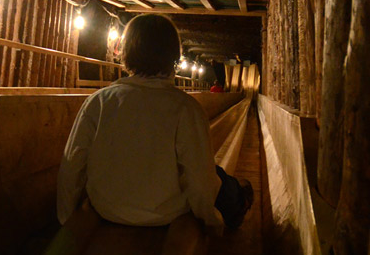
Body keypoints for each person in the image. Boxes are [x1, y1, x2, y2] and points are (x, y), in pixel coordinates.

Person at [57, 14, 252, 232]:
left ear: (125, 52)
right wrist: (212, 221)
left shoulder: (99, 101)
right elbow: (200, 182)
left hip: (107, 209)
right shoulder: (186, 108)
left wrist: (67, 219)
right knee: (222, 180)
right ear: (173, 57)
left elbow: (72, 165)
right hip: (165, 214)